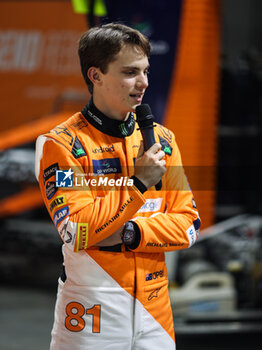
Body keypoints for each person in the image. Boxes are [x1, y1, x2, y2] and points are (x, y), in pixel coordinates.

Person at [35, 23, 200, 350]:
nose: (144, 83)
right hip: (92, 308)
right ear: (95, 76)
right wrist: (138, 183)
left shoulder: (163, 141)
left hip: (156, 310)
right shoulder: (63, 145)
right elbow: (78, 231)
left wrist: (131, 234)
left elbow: (190, 223)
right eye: (130, 73)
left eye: (145, 71)